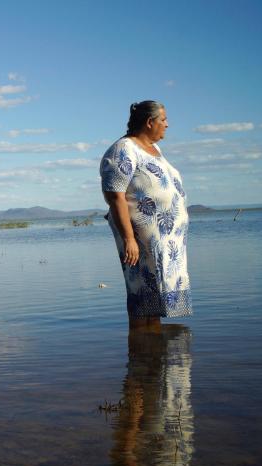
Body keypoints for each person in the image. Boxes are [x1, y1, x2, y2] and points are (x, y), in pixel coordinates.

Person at [100, 101, 192, 330]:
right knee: (142, 302)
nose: (167, 125)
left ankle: (156, 358)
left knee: (156, 305)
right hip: (140, 241)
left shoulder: (154, 149)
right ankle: (141, 359)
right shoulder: (124, 149)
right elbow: (115, 196)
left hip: (166, 243)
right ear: (149, 122)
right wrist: (129, 238)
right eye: (164, 120)